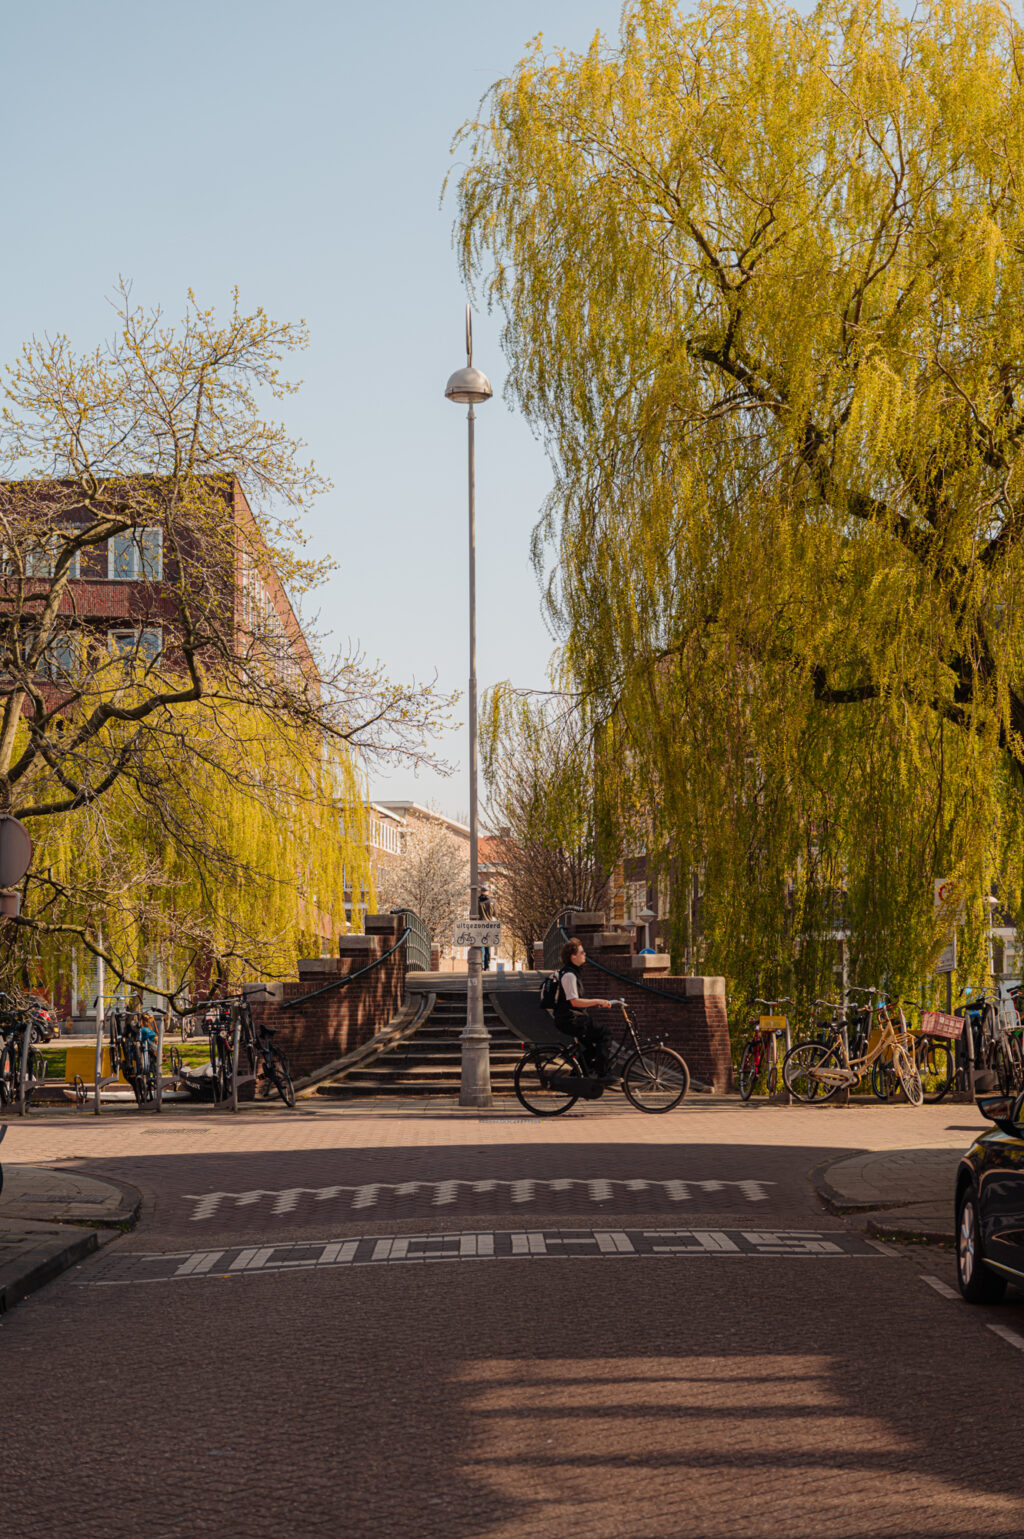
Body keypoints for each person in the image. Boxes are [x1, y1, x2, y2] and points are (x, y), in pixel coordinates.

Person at [553, 935, 618, 1081]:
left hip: (572, 1018)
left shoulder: (572, 973)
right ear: (573, 956)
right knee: (605, 1034)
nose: (585, 954)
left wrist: (596, 1002)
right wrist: (596, 1001)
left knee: (592, 1049)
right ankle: (602, 1074)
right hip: (571, 1019)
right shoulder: (569, 975)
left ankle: (575, 1079)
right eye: (582, 952)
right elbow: (574, 1002)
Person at [478, 885, 494, 971]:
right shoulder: (492, 902)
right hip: (489, 926)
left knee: (481, 945)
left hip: (480, 925)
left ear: (481, 892)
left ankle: (482, 963)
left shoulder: (477, 902)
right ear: (488, 892)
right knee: (488, 946)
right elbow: (495, 913)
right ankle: (487, 965)